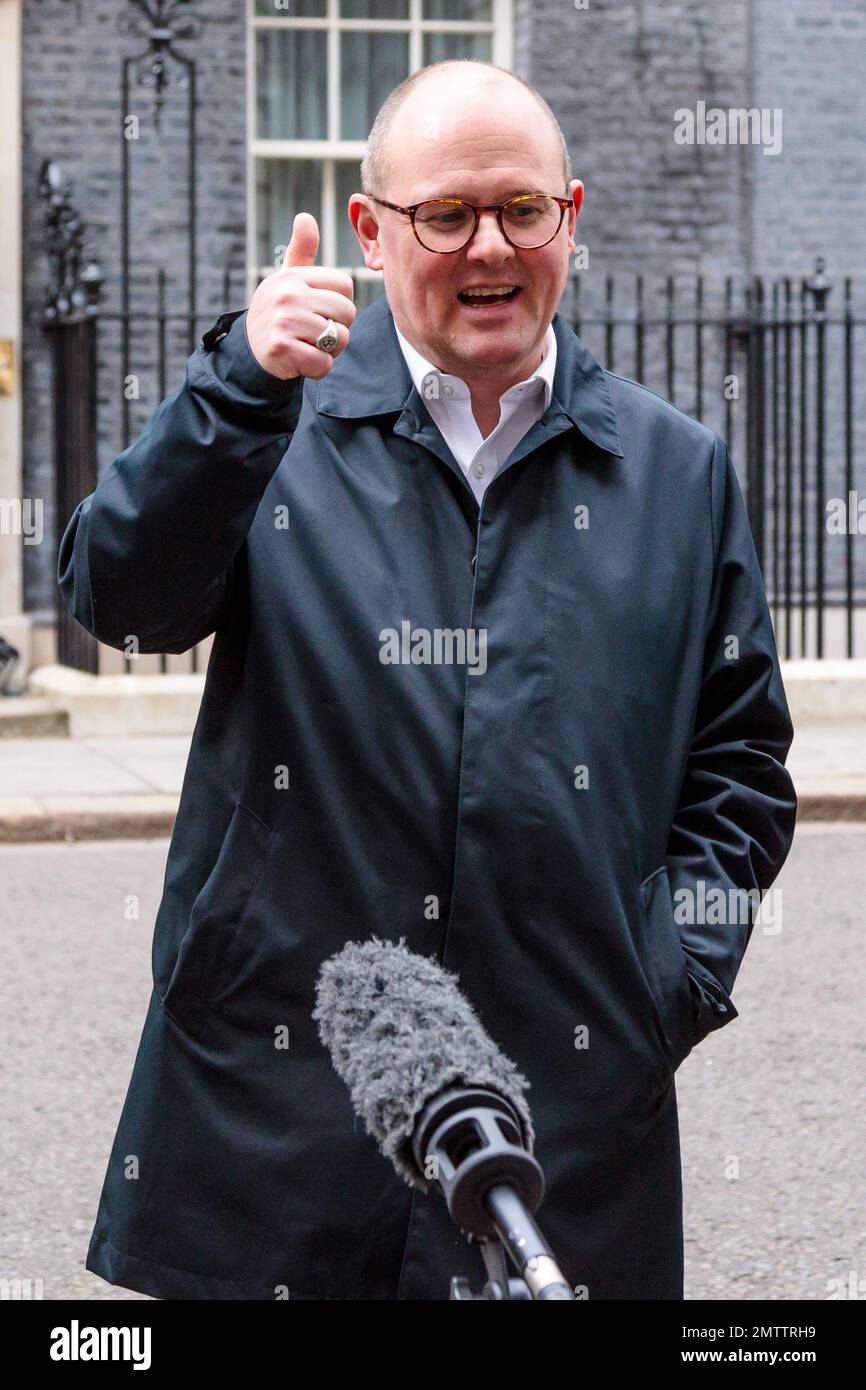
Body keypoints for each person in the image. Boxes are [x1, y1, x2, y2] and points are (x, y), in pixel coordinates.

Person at [59, 59, 797, 1300]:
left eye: (519, 210)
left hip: (559, 1121)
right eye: (445, 216)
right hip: (283, 1106)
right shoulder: (270, 421)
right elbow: (115, 599)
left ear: (571, 212)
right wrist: (235, 386)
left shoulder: (677, 473)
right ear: (369, 231)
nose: (486, 247)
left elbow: (739, 768)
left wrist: (663, 987)